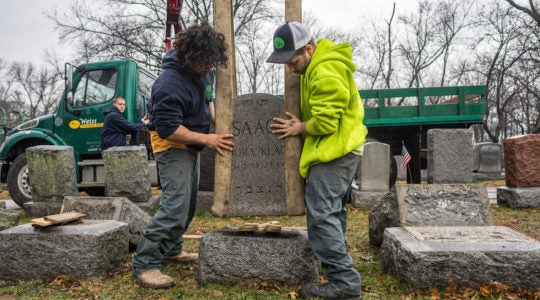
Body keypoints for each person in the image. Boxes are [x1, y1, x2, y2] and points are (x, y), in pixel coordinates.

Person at [267, 21, 367, 300]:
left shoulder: (324, 69)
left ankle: (344, 281)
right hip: (339, 150)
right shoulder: (320, 65)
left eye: (293, 60)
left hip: (334, 152)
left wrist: (299, 128)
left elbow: (326, 120)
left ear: (308, 49)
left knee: (322, 214)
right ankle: (336, 271)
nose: (290, 68)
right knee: (332, 213)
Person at [132, 22, 233, 289]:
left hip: (193, 142)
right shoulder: (168, 83)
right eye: (205, 63)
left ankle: (171, 249)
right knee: (175, 206)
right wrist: (208, 138)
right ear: (190, 58)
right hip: (172, 143)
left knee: (187, 207)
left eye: (213, 62)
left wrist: (217, 120)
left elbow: (207, 99)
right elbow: (167, 129)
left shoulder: (205, 70)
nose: (209, 68)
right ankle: (145, 263)